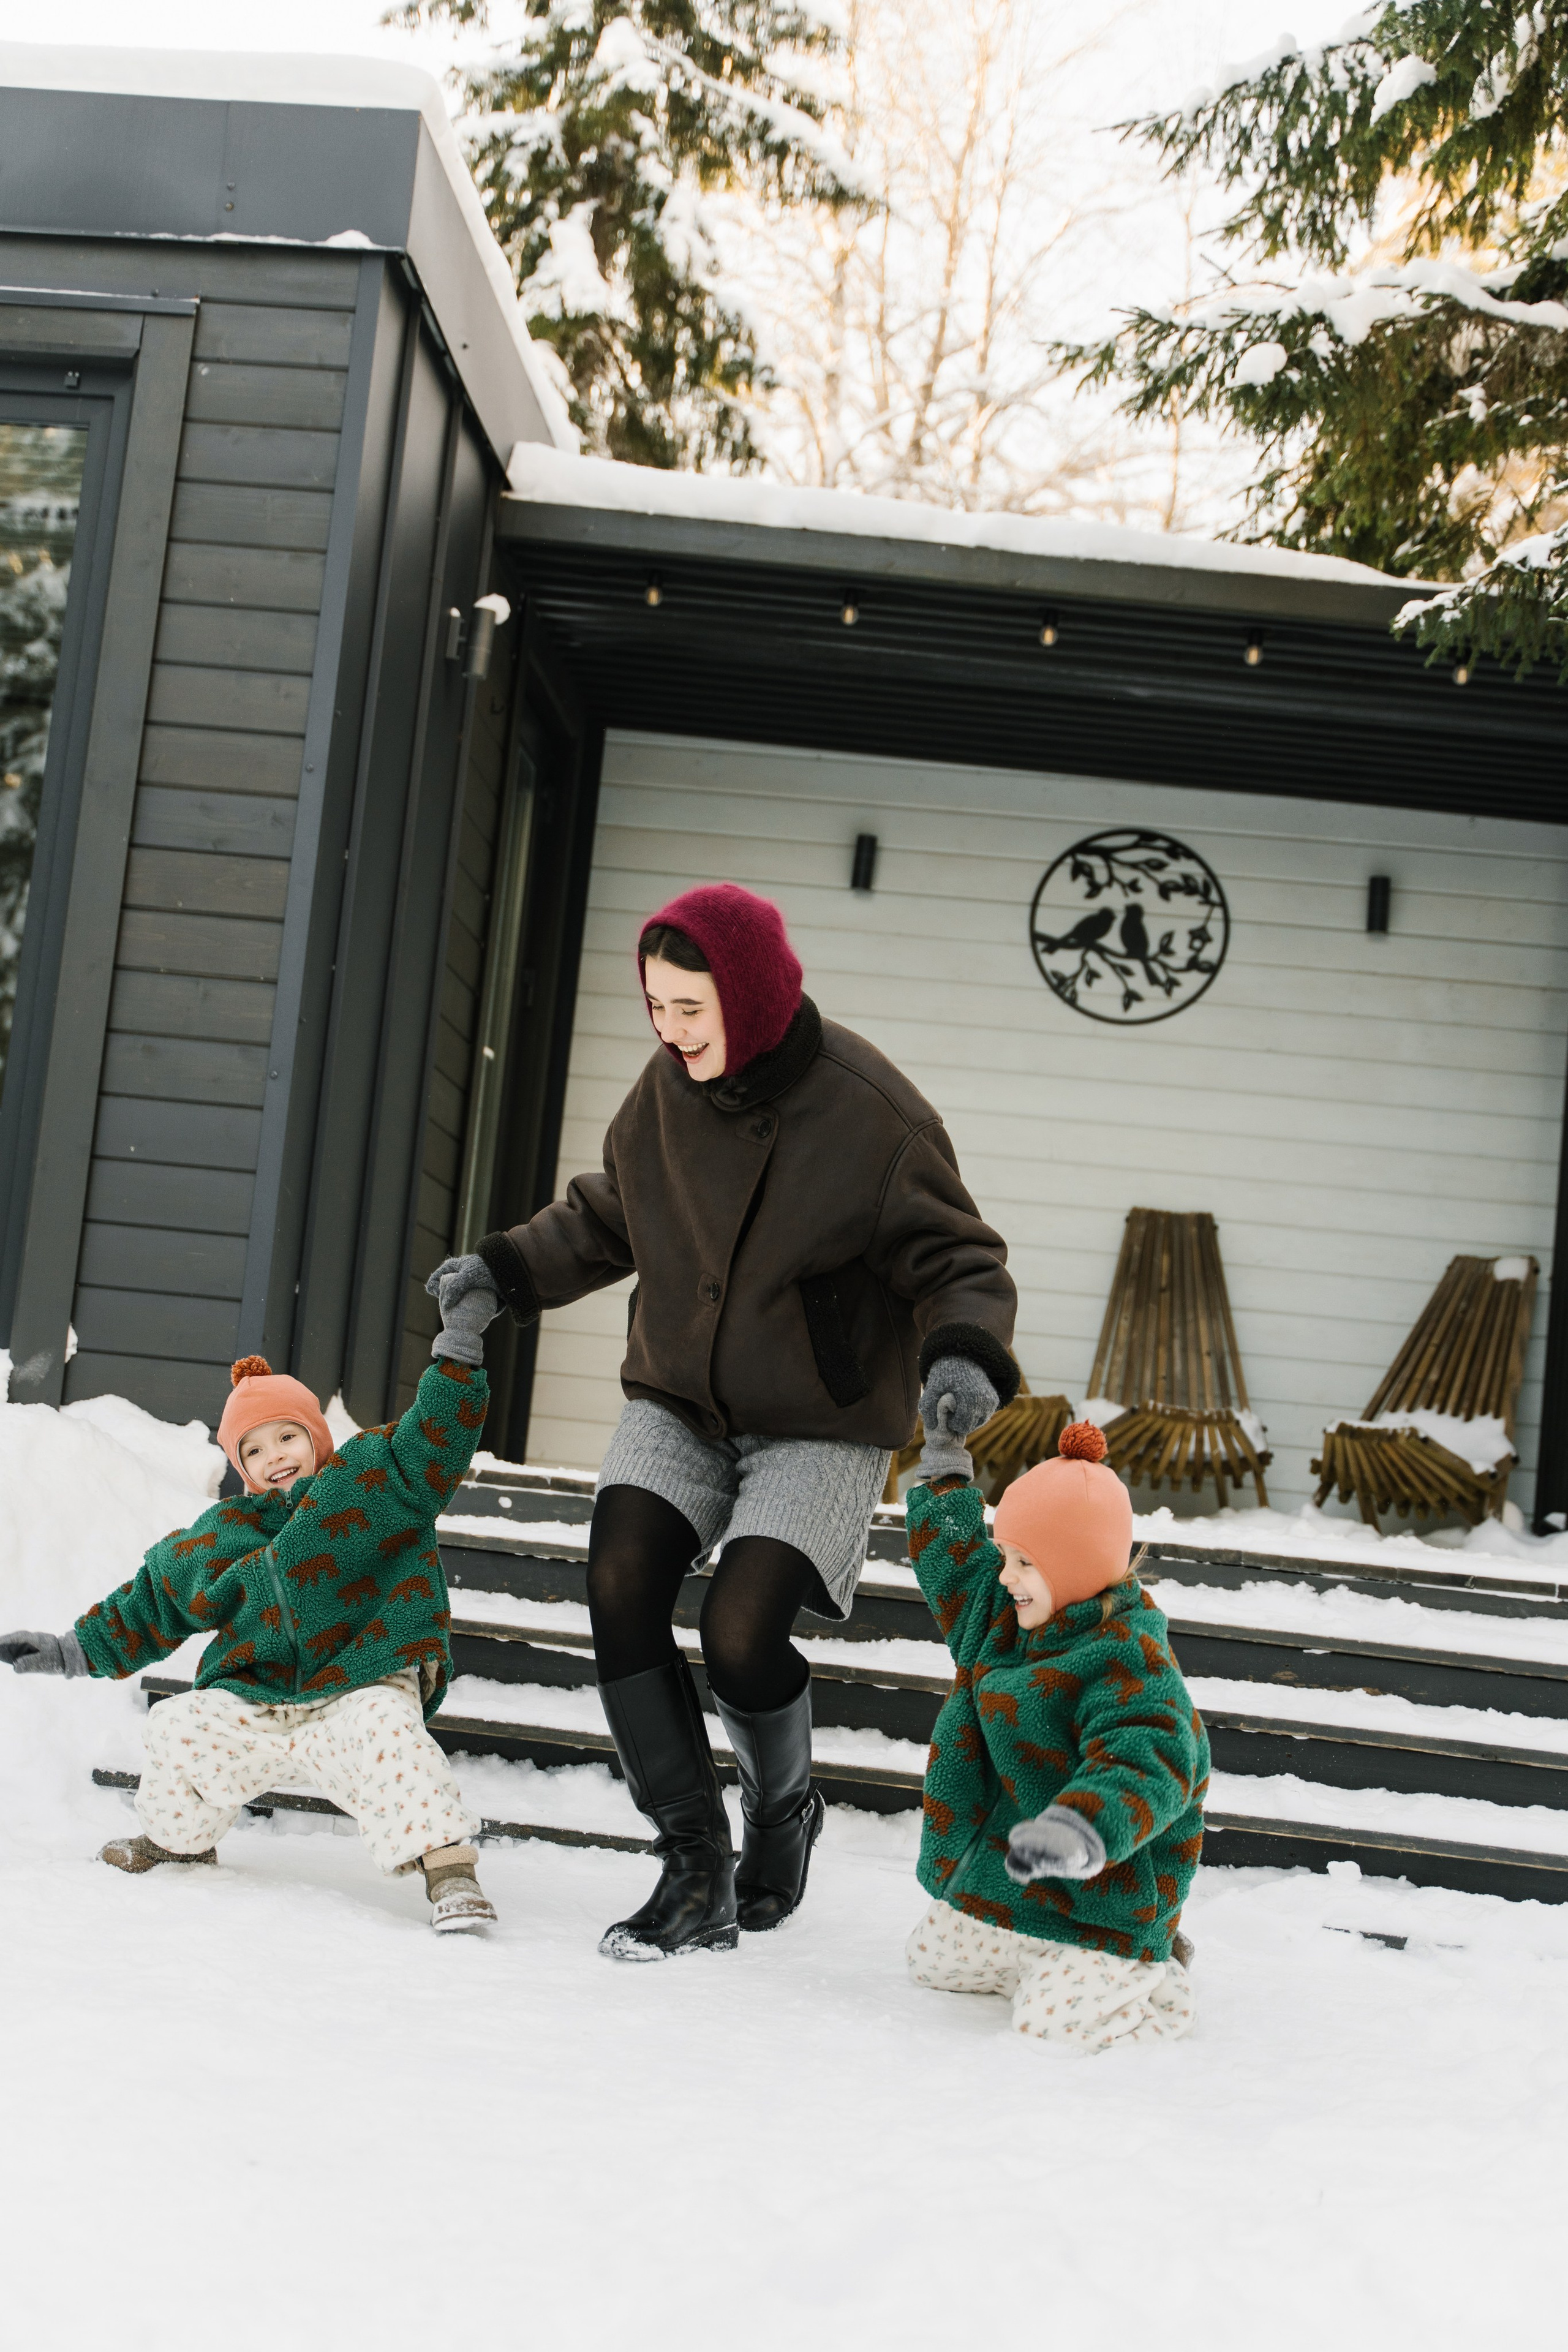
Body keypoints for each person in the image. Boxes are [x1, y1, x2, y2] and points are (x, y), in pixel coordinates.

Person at [429, 881, 1017, 1960]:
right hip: (680, 1399)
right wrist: (505, 1270)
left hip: (818, 1420)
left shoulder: (875, 1114)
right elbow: (610, 1212)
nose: (670, 1030)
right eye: (656, 1006)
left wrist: (964, 1353)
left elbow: (958, 1258)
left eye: (690, 1008)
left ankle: (783, 1813)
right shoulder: (664, 1093)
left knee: (742, 1635)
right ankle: (693, 1864)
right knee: (621, 1581)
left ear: (746, 995)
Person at [0, 1275, 503, 1934]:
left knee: (390, 1731)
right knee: (178, 1725)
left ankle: (449, 1870)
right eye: (254, 1450)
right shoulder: (225, 1534)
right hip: (257, 1701)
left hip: (360, 1682)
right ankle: (177, 1841)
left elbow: (435, 1435)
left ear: (316, 1436)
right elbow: (152, 1602)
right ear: (241, 1467)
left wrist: (459, 1343)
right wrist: (71, 1650)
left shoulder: (375, 1480)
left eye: (287, 1437)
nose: (275, 1457)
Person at [902, 1405, 1205, 2052]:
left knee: (1050, 2024)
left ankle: (1150, 1981)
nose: (1005, 1575)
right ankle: (1040, 1960)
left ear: (1077, 1567)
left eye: (1025, 1561)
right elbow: (954, 1566)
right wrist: (945, 1463)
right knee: (931, 1963)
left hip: (1102, 1899)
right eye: (1005, 1554)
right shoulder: (1003, 1614)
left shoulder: (1128, 1660)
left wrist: (1079, 1829)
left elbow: (1145, 1759)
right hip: (1007, 1882)